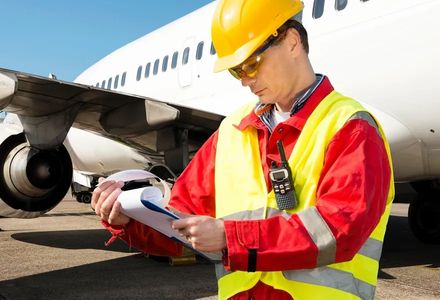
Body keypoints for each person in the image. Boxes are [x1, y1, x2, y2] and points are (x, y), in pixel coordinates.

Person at [91, 0, 394, 299]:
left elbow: (338, 231)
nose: (246, 81)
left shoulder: (350, 127)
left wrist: (229, 237)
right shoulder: (232, 131)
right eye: (237, 71)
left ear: (291, 41)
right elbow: (180, 227)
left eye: (251, 63)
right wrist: (127, 220)